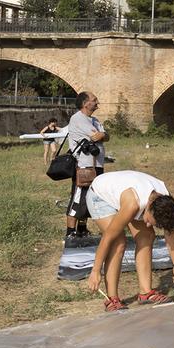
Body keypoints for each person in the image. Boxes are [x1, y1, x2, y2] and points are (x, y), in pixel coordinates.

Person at [83, 170, 174, 312]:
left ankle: (145, 293)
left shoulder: (165, 201)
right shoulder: (133, 204)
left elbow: (170, 231)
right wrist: (95, 271)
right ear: (149, 207)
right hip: (100, 195)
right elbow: (107, 238)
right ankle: (111, 299)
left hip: (125, 193)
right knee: (118, 242)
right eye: (151, 221)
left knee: (147, 235)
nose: (149, 224)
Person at [65, 92, 109, 242]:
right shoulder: (78, 119)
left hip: (96, 165)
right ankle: (70, 233)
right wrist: (102, 134)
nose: (97, 102)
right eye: (94, 100)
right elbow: (95, 135)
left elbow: (105, 136)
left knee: (90, 198)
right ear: (85, 104)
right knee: (78, 198)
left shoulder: (95, 120)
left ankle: (82, 230)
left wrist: (103, 134)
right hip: (83, 166)